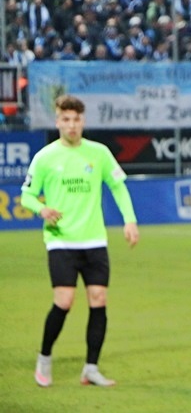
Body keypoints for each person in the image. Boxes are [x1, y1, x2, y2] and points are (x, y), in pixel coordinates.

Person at [21, 95, 139, 388]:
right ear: (57, 121)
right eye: (66, 120)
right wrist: (41, 209)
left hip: (94, 240)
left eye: (76, 120)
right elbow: (26, 195)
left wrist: (130, 220)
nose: (71, 125)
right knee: (64, 301)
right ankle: (44, 359)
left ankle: (90, 368)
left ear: (82, 121)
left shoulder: (98, 153)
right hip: (61, 242)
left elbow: (118, 187)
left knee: (98, 300)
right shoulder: (45, 157)